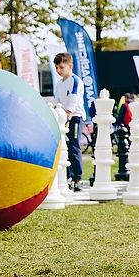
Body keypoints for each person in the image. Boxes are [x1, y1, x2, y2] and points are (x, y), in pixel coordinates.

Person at [52, 53, 86, 191]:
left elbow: (74, 99)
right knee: (64, 147)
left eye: (61, 67)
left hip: (75, 117)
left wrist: (68, 117)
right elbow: (58, 100)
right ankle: (68, 175)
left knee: (73, 146)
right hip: (63, 118)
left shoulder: (75, 81)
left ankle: (77, 178)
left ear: (70, 66)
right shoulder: (59, 83)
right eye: (56, 67)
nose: (58, 70)